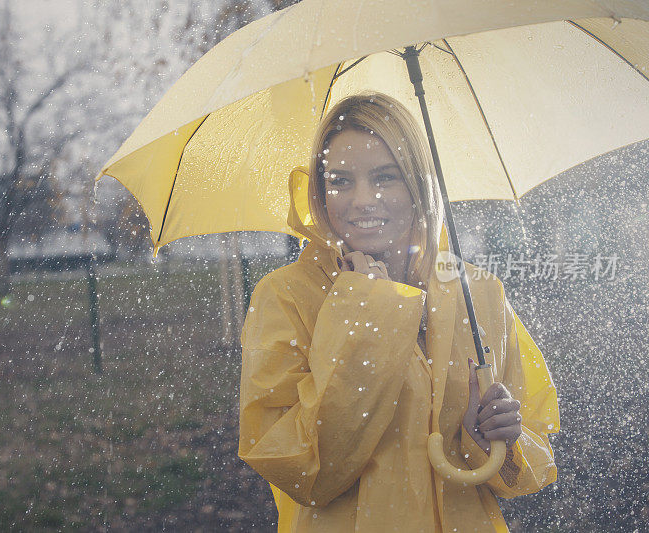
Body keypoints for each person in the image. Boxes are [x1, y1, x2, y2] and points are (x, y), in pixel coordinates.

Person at [237, 92, 560, 532]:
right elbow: (306, 469)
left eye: (385, 177)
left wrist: (492, 437)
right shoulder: (287, 296)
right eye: (340, 181)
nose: (362, 200)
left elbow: (525, 463)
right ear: (318, 189)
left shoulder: (477, 292)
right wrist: (368, 309)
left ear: (419, 184)